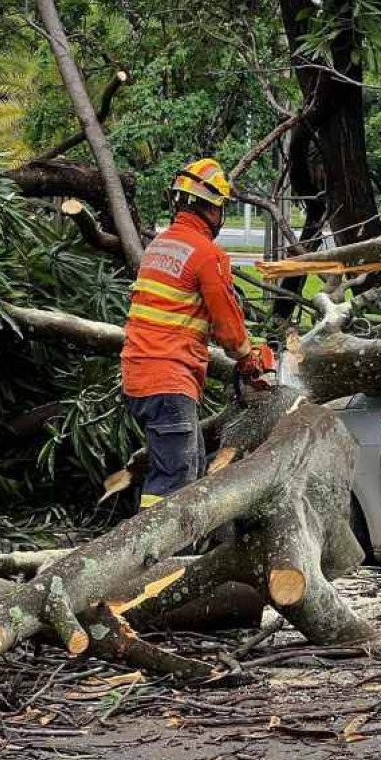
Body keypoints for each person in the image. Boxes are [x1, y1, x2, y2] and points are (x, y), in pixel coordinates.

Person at [121, 158, 274, 509]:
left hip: (140, 375)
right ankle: (155, 557)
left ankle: (177, 552)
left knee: (190, 465)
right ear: (211, 208)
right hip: (167, 378)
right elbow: (230, 331)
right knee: (174, 479)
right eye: (221, 208)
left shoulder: (160, 247)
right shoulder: (207, 254)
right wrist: (250, 360)